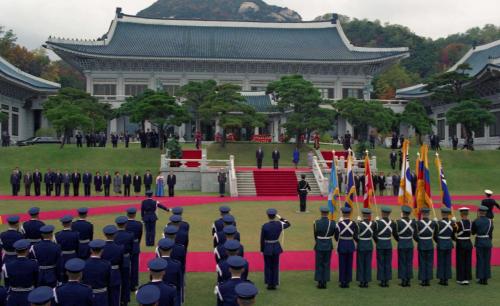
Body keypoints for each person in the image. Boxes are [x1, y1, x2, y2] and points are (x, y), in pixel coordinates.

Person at [260, 208, 290, 290]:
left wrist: (262, 250)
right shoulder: (279, 224)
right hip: (276, 246)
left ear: (268, 216)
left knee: (268, 266)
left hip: (267, 247)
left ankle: (269, 283)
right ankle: (274, 283)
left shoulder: (265, 226)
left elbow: (262, 239)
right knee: (275, 266)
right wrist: (280, 217)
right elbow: (288, 223)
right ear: (275, 216)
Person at [3, 239, 39, 306]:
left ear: (16, 251)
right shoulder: (34, 264)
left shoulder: (7, 265)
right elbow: (36, 281)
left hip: (13, 296)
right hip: (29, 295)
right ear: (28, 250)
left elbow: (6, 283)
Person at [82, 239, 111, 306]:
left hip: (88, 295)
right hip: (102, 295)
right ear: (102, 250)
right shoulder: (106, 264)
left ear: (91, 250)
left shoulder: (84, 263)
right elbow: (109, 280)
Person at [313, 206, 336, 289]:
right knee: (326, 264)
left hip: (319, 244)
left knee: (319, 264)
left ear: (321, 213)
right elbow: (333, 234)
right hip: (328, 244)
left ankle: (320, 282)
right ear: (328, 213)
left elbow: (315, 235)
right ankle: (325, 282)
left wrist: (319, 241)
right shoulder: (332, 223)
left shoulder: (316, 222)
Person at [334, 206, 357, 288]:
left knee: (342, 264)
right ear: (349, 214)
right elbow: (355, 236)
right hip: (350, 244)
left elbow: (336, 237)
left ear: (343, 214)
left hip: (342, 244)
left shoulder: (339, 224)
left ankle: (342, 281)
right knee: (349, 264)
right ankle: (348, 280)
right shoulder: (354, 223)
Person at [114, 216, 134, 305]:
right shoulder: (130, 235)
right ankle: (125, 300)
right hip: (125, 258)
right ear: (125, 224)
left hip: (115, 259)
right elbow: (131, 248)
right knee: (126, 280)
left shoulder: (114, 234)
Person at [101, 226, 123, 306]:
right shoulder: (119, 248)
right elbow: (122, 263)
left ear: (104, 234)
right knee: (115, 297)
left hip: (103, 273)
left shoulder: (101, 247)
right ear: (115, 235)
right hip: (115, 273)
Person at [393, 205, 415, 287]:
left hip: (402, 243)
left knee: (402, 262)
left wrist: (399, 240)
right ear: (409, 213)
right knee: (409, 262)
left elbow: (395, 234)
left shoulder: (398, 222)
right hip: (409, 243)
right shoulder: (413, 222)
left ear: (402, 213)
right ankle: (408, 280)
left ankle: (403, 280)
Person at [374, 207, 396, 287]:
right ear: (389, 214)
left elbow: (374, 235)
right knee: (387, 263)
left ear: (382, 213)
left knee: (380, 263)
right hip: (388, 244)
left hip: (380, 244)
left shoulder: (378, 223)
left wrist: (378, 241)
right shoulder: (392, 223)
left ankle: (382, 280)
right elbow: (394, 234)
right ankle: (387, 280)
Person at [157, 238, 183, 306]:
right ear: (171, 250)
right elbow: (179, 284)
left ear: (159, 249)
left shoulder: (156, 264)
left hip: (159, 294)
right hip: (173, 292)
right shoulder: (176, 264)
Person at [472, 205, 494, 285]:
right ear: (486, 212)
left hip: (480, 242)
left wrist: (475, 222)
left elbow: (473, 232)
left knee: (480, 260)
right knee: (487, 261)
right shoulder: (490, 221)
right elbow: (491, 232)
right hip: (488, 241)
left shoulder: (476, 221)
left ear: (479, 212)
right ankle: (486, 278)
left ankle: (481, 278)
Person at [414, 207, 436, 286]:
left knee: (422, 262)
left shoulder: (418, 223)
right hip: (430, 243)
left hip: (422, 243)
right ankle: (428, 280)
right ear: (429, 214)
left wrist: (419, 241)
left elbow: (415, 236)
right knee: (429, 262)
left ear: (422, 214)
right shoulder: (433, 223)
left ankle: (423, 280)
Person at [55, 216, 80, 282]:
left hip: (62, 257)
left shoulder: (57, 235)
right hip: (73, 255)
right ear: (71, 223)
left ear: (62, 224)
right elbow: (78, 247)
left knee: (63, 274)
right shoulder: (76, 234)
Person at [356, 208, 376, 288]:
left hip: (361, 244)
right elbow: (375, 233)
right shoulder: (373, 224)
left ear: (362, 214)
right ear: (369, 215)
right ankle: (366, 281)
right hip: (369, 244)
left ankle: (361, 281)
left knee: (361, 264)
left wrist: (359, 241)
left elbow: (355, 235)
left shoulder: (359, 224)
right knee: (368, 264)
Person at [435, 207, 455, 286]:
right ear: (448, 214)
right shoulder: (452, 223)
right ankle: (446, 279)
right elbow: (453, 235)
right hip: (449, 243)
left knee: (441, 262)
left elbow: (435, 236)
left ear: (442, 214)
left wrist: (439, 241)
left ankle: (441, 279)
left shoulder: (438, 223)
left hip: (441, 243)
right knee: (448, 262)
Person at [125, 208, 143, 291]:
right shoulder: (139, 224)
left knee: (125, 265)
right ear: (135, 214)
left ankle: (126, 283)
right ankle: (134, 284)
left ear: (127, 214)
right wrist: (137, 243)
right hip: (135, 244)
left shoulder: (124, 224)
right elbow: (140, 235)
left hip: (125, 245)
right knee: (135, 266)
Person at [455, 207, 473, 285]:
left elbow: (453, 233)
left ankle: (461, 279)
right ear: (467, 214)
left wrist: (456, 239)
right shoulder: (471, 222)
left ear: (461, 214)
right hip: (468, 243)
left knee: (460, 261)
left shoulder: (458, 223)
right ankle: (467, 278)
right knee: (468, 261)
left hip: (460, 243)